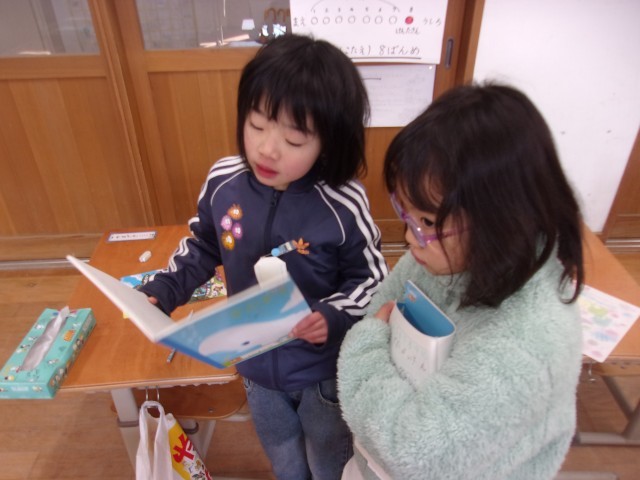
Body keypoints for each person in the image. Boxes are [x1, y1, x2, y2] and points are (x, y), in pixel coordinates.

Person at [139, 34, 388, 480]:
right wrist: (166, 288)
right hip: (254, 366)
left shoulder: (342, 202)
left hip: (321, 371)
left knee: (327, 460)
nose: (267, 149)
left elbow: (372, 280)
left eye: (294, 139)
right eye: (256, 125)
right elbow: (203, 244)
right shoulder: (224, 181)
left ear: (328, 144)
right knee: (284, 459)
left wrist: (332, 315)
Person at [337, 84, 585, 480]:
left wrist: (364, 350)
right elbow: (379, 306)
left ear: (499, 220)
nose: (410, 237)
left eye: (427, 221)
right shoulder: (442, 253)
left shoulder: (527, 344)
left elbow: (414, 451)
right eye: (406, 213)